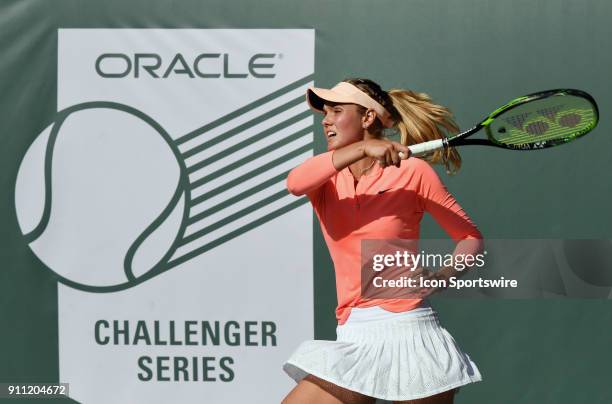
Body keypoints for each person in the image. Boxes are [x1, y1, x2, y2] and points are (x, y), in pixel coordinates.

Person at [281, 78, 484, 404]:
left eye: (336, 110)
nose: (326, 119)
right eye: (324, 113)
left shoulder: (413, 172)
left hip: (412, 333)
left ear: (367, 118)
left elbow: (470, 238)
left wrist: (441, 276)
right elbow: (294, 182)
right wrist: (361, 148)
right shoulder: (325, 178)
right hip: (354, 332)